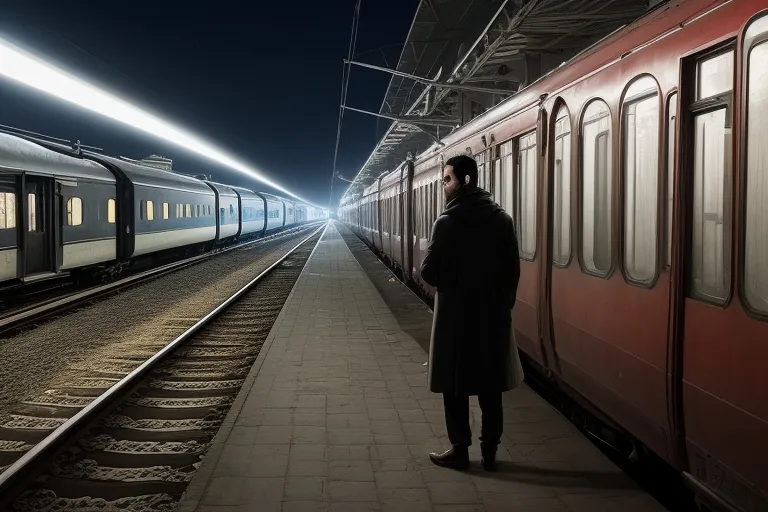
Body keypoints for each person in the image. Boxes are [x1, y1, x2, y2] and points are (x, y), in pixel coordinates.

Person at [420, 154, 524, 471]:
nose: (444, 185)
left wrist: (449, 279)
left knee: (455, 386)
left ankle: (460, 451)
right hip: (492, 318)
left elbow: (429, 273)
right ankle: (490, 452)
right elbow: (513, 273)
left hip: (455, 320)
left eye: (447, 179)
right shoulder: (502, 220)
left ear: (465, 181)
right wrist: (503, 305)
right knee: (490, 387)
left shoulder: (446, 223)